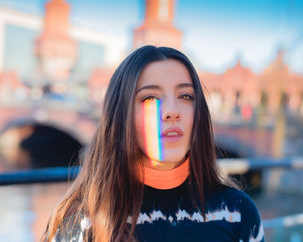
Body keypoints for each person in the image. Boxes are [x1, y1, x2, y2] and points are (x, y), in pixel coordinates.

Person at [42, 45, 264, 242]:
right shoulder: (80, 221)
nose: (171, 111)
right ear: (121, 115)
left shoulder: (237, 213)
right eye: (150, 98)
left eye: (185, 96)